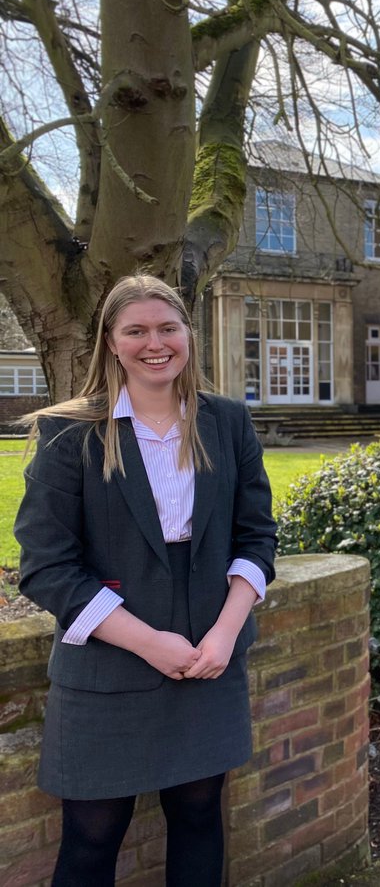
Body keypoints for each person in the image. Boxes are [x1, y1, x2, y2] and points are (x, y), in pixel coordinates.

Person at [15, 273, 277, 887]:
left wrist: (222, 637)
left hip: (208, 663)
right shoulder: (71, 432)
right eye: (135, 330)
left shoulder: (227, 423)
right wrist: (150, 643)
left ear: (189, 333)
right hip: (108, 668)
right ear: (111, 341)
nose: (153, 343)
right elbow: (47, 566)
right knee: (91, 837)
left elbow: (256, 538)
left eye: (167, 327)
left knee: (197, 819)